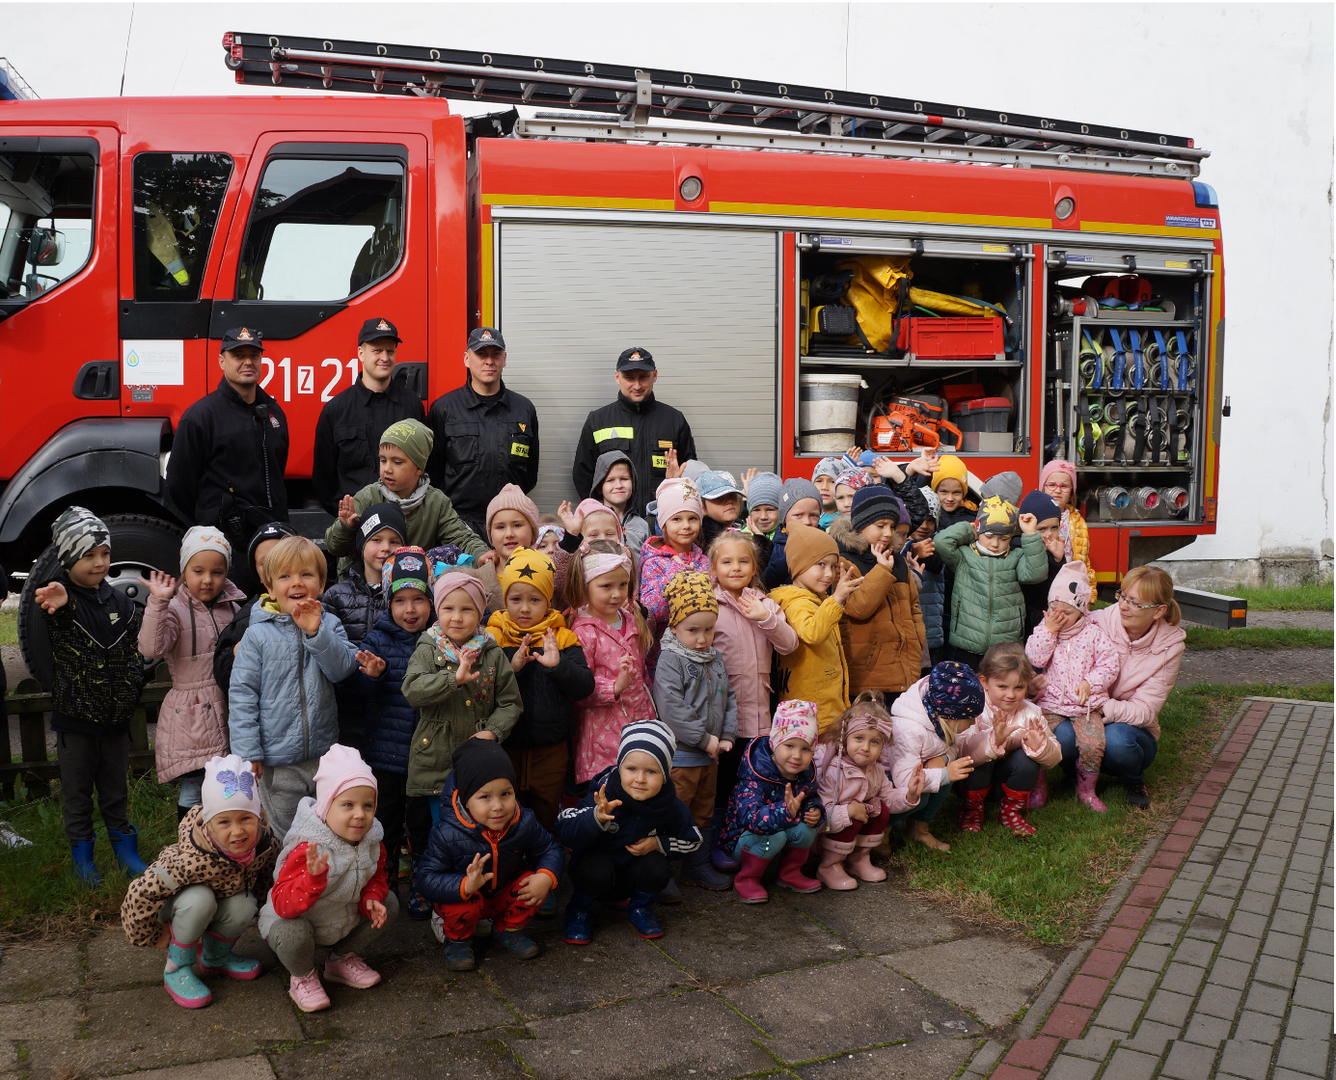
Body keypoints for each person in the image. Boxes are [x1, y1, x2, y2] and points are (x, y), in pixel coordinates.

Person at [35, 507, 149, 885]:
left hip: (115, 724)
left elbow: (134, 644)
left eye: (105, 554)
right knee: (78, 797)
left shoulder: (117, 600)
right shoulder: (61, 598)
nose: (100, 563)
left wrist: (133, 685)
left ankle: (125, 852)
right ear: (68, 558)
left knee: (116, 793)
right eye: (88, 556)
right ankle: (83, 860)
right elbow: (60, 614)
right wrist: (61, 600)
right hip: (76, 724)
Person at [227, 535, 361, 842]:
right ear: (271, 588)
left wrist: (316, 633)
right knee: (289, 837)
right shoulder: (256, 636)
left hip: (323, 757)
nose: (296, 582)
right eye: (285, 576)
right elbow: (242, 696)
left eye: (306, 574)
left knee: (328, 829)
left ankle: (327, 886)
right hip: (277, 763)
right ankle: (288, 887)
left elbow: (343, 670)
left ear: (322, 584)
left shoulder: (329, 625)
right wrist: (248, 752)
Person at [119, 754, 278, 1009]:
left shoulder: (264, 845)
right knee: (199, 899)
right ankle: (177, 967)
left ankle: (215, 956)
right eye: (224, 821)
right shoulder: (189, 859)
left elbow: (269, 875)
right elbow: (141, 892)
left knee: (247, 901)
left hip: (219, 905)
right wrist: (152, 935)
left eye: (245, 819)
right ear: (208, 822)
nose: (237, 831)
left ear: (258, 817)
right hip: (178, 910)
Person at [257, 745, 398, 1013]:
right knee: (291, 932)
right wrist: (312, 880)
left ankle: (339, 960)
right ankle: (303, 975)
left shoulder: (372, 841)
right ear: (325, 806)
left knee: (388, 903)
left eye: (368, 805)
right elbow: (283, 906)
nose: (360, 814)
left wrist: (371, 898)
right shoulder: (307, 849)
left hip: (340, 920)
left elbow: (377, 876)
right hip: (299, 925)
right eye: (347, 804)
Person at [417, 738, 563, 970]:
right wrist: (464, 885)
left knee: (534, 882)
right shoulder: (446, 833)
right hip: (466, 900)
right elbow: (426, 879)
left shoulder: (524, 821)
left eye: (506, 794)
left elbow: (549, 848)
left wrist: (545, 876)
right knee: (462, 902)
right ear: (466, 798)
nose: (498, 806)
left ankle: (507, 929)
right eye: (485, 797)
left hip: (503, 892)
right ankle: (459, 940)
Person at [166, 327, 287, 595]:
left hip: (272, 542)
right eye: (238, 355)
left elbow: (278, 468)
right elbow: (179, 486)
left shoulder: (273, 412)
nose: (248, 362)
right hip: (226, 548)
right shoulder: (200, 417)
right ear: (222, 361)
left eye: (254, 355)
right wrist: (213, 522)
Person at [557, 720, 702, 944]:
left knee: (658, 866)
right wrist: (595, 817)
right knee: (594, 868)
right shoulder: (604, 794)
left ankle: (640, 908)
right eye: (631, 769)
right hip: (596, 875)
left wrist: (659, 843)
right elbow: (563, 827)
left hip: (632, 878)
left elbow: (694, 840)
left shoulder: (669, 803)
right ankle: (580, 908)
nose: (640, 779)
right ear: (620, 767)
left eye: (651, 771)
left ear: (665, 774)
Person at [1054, 566, 1186, 810]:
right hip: (1082, 714)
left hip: (1127, 727)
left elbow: (1146, 710)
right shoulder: (1096, 621)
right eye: (1122, 596)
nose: (1123, 606)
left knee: (1117, 740)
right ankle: (1075, 775)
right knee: (1061, 735)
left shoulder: (1170, 645)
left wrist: (1101, 707)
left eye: (1135, 603)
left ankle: (1133, 780)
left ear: (1159, 611)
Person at [138, 527, 246, 820]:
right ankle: (189, 842)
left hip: (229, 707)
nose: (208, 580)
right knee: (194, 787)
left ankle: (222, 838)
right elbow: (151, 647)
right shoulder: (172, 608)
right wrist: (158, 603)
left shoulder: (234, 607)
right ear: (185, 569)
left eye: (217, 571)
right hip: (192, 717)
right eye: (198, 571)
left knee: (229, 783)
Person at [486, 548, 594, 838]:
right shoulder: (493, 637)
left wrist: (558, 667)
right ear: (504, 599)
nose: (524, 609)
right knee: (506, 814)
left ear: (548, 601)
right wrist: (512, 667)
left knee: (546, 811)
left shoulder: (561, 637)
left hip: (551, 748)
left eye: (534, 600)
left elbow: (585, 686)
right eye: (516, 599)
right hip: (506, 745)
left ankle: (545, 861)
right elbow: (481, 689)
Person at [354, 547, 436, 919]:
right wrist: (371, 679)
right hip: (385, 757)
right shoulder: (378, 640)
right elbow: (358, 696)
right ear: (388, 603)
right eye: (400, 600)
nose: (410, 609)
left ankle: (422, 880)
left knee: (422, 825)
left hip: (427, 757)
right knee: (384, 825)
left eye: (418, 598)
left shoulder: (439, 641)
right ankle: (382, 881)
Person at [708, 529, 798, 868]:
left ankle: (749, 839)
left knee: (752, 780)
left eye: (743, 561)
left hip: (761, 710)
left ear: (755, 565)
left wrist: (767, 619)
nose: (735, 567)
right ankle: (719, 840)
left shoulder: (763, 602)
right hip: (723, 711)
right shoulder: (709, 603)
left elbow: (789, 645)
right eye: (727, 561)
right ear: (713, 567)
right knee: (723, 780)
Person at [401, 569, 522, 816]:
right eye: (448, 609)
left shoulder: (493, 654)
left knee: (477, 821)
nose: (457, 618)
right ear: (437, 610)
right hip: (434, 758)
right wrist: (452, 680)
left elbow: (510, 703)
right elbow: (412, 690)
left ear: (479, 613)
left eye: (467, 610)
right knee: (440, 826)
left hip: (479, 757)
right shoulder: (427, 649)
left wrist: (492, 731)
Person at [651, 572, 738, 892]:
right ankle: (663, 873)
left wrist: (728, 734)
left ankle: (696, 866)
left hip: (710, 756)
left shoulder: (714, 659)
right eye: (692, 630)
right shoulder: (671, 659)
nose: (702, 639)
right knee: (676, 811)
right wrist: (704, 739)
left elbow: (728, 698)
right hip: (684, 756)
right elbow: (673, 708)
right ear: (674, 627)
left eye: (708, 630)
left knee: (703, 811)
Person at [327, 419, 493, 579]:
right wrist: (345, 527)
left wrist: (481, 555)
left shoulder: (436, 503)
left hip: (413, 586)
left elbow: (462, 537)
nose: (387, 469)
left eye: (397, 462)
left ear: (418, 467)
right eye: (383, 460)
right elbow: (335, 547)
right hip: (365, 587)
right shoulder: (367, 498)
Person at [426, 327, 540, 539]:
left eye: (495, 354)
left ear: (504, 359)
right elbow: (432, 473)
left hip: (510, 526)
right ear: (467, 359)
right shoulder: (444, 409)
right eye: (481, 354)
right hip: (458, 525)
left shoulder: (524, 409)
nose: (489, 361)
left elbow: (530, 474)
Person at [1026, 562, 1120, 813]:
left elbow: (1109, 665)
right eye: (1053, 609)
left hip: (1084, 705)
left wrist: (1091, 682)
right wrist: (1049, 632)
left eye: (1065, 612)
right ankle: (1039, 787)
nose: (1058, 617)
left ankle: (1086, 790)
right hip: (1050, 701)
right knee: (1037, 738)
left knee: (1093, 744)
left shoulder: (1094, 634)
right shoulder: (1044, 629)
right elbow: (1035, 658)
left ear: (1082, 610)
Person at [312, 317, 426, 516]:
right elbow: (324, 478)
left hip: (405, 520)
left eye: (390, 351)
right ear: (360, 354)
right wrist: (348, 516)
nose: (385, 357)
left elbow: (425, 465)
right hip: (355, 522)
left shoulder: (412, 406)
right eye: (377, 350)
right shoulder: (336, 410)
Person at [566, 542, 657, 785]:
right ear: (585, 586)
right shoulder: (584, 632)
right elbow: (577, 690)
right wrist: (614, 687)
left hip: (639, 728)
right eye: (606, 586)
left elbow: (643, 676)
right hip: (601, 743)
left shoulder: (633, 620)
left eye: (623, 585)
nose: (617, 593)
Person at [720, 700, 827, 903]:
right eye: (789, 745)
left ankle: (789, 873)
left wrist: (815, 810)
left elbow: (810, 797)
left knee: (807, 829)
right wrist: (785, 812)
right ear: (774, 743)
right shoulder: (754, 775)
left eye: (805, 749)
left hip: (775, 834)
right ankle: (747, 879)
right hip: (740, 840)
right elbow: (751, 818)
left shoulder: (804, 773)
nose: (797, 756)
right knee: (775, 836)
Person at [572, 347, 697, 519]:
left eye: (643, 377)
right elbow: (583, 475)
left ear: (654, 375)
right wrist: (601, 516)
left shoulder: (674, 420)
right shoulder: (598, 421)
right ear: (617, 377)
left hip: (662, 524)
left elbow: (690, 476)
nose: (637, 386)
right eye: (629, 378)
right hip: (614, 525)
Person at [829, 486, 926, 707]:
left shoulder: (897, 560)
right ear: (861, 525)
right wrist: (882, 571)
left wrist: (917, 642)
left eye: (892, 526)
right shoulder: (845, 561)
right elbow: (858, 608)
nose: (888, 533)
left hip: (904, 672)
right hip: (867, 677)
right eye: (880, 525)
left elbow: (914, 608)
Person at [813, 693, 922, 889]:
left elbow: (889, 798)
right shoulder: (833, 771)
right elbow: (820, 813)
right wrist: (847, 811)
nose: (865, 747)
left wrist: (909, 795)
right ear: (844, 736)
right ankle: (829, 865)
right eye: (859, 738)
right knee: (855, 814)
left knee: (880, 809)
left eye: (874, 742)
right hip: (824, 836)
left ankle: (858, 859)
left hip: (849, 831)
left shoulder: (876, 770)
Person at [324, 503, 407, 748]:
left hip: (392, 705)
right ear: (361, 546)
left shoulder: (407, 596)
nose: (385, 548)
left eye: (394, 541)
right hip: (346, 707)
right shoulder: (337, 595)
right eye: (376, 539)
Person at [959, 644, 1062, 837]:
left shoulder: (1031, 712)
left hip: (1004, 783)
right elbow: (960, 750)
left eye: (1019, 687)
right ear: (984, 682)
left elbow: (1055, 757)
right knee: (981, 760)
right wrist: (993, 740)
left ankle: (1011, 812)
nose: (1011, 695)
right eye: (1002, 687)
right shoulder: (974, 709)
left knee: (1028, 760)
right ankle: (971, 810)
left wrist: (1040, 746)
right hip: (969, 783)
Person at [934, 497, 1047, 670]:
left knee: (1001, 693)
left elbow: (1036, 573)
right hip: (967, 644)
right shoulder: (964, 556)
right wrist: (970, 528)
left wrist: (1030, 533)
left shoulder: (1016, 557)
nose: (995, 543)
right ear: (979, 530)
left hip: (1006, 646)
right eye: (989, 536)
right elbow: (941, 542)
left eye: (1004, 538)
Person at [769, 522, 861, 734]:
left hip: (823, 706)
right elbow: (812, 633)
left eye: (832, 566)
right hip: (811, 711)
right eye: (820, 564)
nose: (828, 574)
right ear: (799, 566)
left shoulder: (817, 599)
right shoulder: (797, 602)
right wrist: (837, 599)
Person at [887, 661, 986, 851]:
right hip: (888, 785)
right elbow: (904, 782)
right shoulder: (908, 729)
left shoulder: (938, 715)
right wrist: (945, 774)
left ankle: (919, 828)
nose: (973, 723)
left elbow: (952, 745)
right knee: (927, 791)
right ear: (951, 715)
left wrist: (945, 760)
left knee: (945, 773)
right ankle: (881, 829)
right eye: (970, 717)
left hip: (916, 773)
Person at [213, 522, 296, 698]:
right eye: (265, 562)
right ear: (257, 573)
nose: (275, 567)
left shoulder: (322, 609)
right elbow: (225, 678)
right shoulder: (246, 619)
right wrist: (236, 653)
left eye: (282, 556)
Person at [638, 477, 709, 673]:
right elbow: (652, 610)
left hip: (700, 649)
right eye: (677, 519)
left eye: (692, 518)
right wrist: (676, 574)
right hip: (665, 656)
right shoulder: (654, 561)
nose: (685, 525)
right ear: (664, 523)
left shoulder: (703, 561)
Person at [1040, 460, 1099, 591]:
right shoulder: (1035, 518)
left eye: (1064, 486)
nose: (1057, 490)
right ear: (1042, 487)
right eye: (1052, 485)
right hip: (1044, 581)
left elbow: (1084, 560)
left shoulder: (1077, 521)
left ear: (1072, 493)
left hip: (1069, 582)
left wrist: (1090, 592)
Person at [1016, 491, 1067, 639]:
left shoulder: (1054, 551)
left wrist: (1058, 560)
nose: (1049, 534)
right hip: (1023, 624)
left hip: (1046, 623)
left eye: (1054, 528)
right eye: (1042, 529)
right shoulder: (1018, 550)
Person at [583, 450, 651, 553]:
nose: (618, 485)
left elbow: (648, 561)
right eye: (610, 480)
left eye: (624, 479)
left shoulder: (642, 525)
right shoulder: (589, 521)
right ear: (599, 488)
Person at [761, 478, 824, 590]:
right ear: (784, 518)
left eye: (813, 515)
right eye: (799, 515)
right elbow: (766, 583)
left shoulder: (825, 545)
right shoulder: (776, 549)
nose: (807, 522)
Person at [695, 471, 747, 551]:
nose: (729, 501)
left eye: (732, 495)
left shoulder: (742, 526)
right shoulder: (702, 540)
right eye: (719, 498)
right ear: (702, 507)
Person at [742, 471, 783, 567]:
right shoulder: (743, 536)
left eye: (770, 509)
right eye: (756, 510)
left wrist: (761, 537)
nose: (763, 516)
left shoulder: (786, 533)